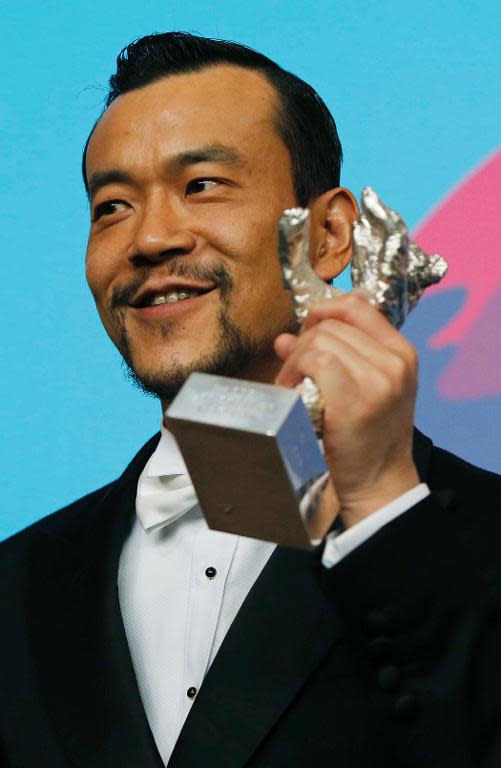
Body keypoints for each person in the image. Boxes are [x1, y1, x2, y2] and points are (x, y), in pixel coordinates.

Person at [1, 32, 501, 768]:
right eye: (111, 206)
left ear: (328, 234)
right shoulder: (17, 588)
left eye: (201, 184)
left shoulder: (479, 537)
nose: (148, 238)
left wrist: (382, 504)